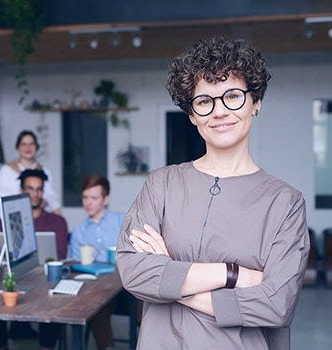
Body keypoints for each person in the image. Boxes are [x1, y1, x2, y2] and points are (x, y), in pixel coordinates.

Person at [116, 36, 310, 350]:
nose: (219, 111)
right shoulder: (161, 184)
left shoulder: (285, 202)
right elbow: (135, 274)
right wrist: (232, 275)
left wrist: (170, 276)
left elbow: (276, 305)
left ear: (255, 102)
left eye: (232, 96)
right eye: (205, 101)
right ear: (192, 114)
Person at [0, 169, 69, 350]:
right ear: (21, 191)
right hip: (14, 278)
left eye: (39, 189)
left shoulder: (57, 222)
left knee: (52, 303)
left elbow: (60, 255)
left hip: (44, 281)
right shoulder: (6, 221)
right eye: (30, 189)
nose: (35, 194)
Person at [70, 174, 125, 350]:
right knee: (95, 305)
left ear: (105, 199)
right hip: (99, 289)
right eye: (85, 198)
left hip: (126, 287)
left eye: (94, 198)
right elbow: (75, 266)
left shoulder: (122, 221)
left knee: (145, 292)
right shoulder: (79, 232)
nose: (88, 203)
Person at [0, 129, 61, 217]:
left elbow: (50, 197)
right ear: (18, 148)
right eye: (24, 144)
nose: (28, 148)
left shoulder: (43, 172)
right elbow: (0, 196)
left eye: (31, 144)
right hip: (10, 216)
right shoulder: (7, 170)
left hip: (35, 218)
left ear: (36, 147)